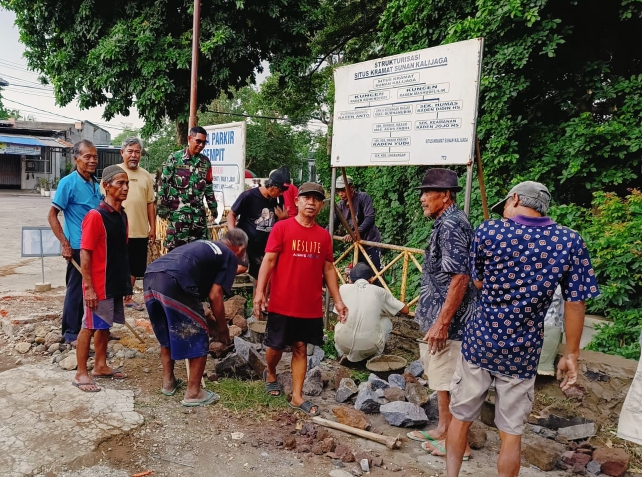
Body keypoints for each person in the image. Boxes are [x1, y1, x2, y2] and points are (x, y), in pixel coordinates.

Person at [446, 181, 600, 477]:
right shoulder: (569, 241)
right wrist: (571, 355)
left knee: (460, 417)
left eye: (505, 205)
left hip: (481, 341)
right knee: (511, 432)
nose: (503, 212)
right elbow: (576, 302)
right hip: (523, 350)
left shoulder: (488, 231)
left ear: (515, 198)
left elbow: (477, 282)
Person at [253, 182, 348, 416]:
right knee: (274, 346)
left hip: (310, 305)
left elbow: (328, 270)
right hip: (282, 302)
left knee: (300, 348)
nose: (311, 202)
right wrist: (260, 292)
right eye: (307, 198)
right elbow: (269, 261)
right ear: (297, 201)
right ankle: (272, 372)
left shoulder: (324, 236)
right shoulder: (282, 228)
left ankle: (297, 396)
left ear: (321, 205)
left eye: (316, 199)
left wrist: (338, 300)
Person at [408, 169, 478, 459]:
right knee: (440, 379)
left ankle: (458, 443)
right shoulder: (445, 222)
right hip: (440, 317)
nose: (423, 198)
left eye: (428, 193)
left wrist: (442, 322)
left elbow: (460, 276)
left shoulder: (451, 225)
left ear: (446, 195)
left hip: (451, 323)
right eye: (422, 193)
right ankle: (442, 428)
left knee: (450, 379)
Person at [143, 229, 248, 407]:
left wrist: (211, 321)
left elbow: (199, 300)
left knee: (169, 332)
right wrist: (223, 330)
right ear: (241, 248)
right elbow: (216, 296)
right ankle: (194, 392)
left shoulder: (205, 245)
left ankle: (168, 383)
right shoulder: (229, 255)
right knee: (199, 333)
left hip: (151, 277)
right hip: (173, 281)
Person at [73, 165, 132, 392]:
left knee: (104, 326)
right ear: (106, 186)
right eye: (120, 183)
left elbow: (121, 251)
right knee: (89, 326)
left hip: (114, 282)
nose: (125, 188)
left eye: (127, 184)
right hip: (97, 283)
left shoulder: (122, 216)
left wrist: (125, 283)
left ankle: (100, 365)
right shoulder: (95, 216)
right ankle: (81, 373)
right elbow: (85, 252)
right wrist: (88, 287)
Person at [48, 140, 102, 345]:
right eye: (87, 156)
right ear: (76, 158)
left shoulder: (95, 183)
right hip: (79, 246)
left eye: (94, 156)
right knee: (76, 289)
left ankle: (93, 328)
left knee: (94, 289)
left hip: (96, 245)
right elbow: (52, 215)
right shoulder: (67, 182)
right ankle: (70, 333)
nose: (92, 160)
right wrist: (65, 243)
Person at [109, 137, 156, 311]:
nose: (134, 155)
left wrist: (153, 228)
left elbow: (150, 203)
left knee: (135, 267)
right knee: (116, 264)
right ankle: (113, 297)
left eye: (137, 152)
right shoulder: (112, 173)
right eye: (130, 151)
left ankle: (127, 298)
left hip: (139, 230)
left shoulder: (145, 176)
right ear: (122, 153)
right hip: (117, 230)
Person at [334, 263, 409, 362]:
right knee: (386, 321)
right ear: (371, 279)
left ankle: (342, 353)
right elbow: (405, 310)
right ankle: (374, 356)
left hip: (343, 344)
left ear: (350, 280)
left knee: (341, 320)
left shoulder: (343, 288)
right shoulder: (380, 292)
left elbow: (338, 315)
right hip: (369, 347)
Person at [157, 126, 217, 251]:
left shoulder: (205, 163)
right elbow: (163, 184)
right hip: (179, 218)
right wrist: (162, 207)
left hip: (198, 219)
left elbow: (209, 187)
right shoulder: (175, 158)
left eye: (204, 142)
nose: (201, 145)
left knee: (199, 253)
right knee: (176, 254)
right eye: (198, 141)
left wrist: (213, 208)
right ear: (190, 139)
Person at [227, 167, 289, 280]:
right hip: (245, 241)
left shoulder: (278, 200)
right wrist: (233, 232)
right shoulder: (249, 196)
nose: (281, 194)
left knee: (263, 276)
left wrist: (283, 219)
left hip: (263, 246)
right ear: (272, 186)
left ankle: (259, 297)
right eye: (280, 190)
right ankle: (217, 276)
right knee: (241, 267)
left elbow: (278, 224)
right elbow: (231, 214)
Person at [332, 175, 382, 271]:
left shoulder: (363, 198)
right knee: (359, 274)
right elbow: (333, 224)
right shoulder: (340, 206)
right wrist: (322, 235)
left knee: (375, 273)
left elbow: (370, 218)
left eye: (343, 190)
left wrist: (355, 232)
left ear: (351, 188)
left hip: (370, 242)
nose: (341, 194)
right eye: (338, 191)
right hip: (357, 245)